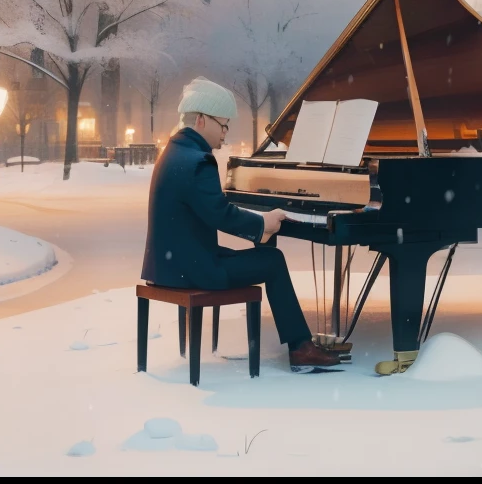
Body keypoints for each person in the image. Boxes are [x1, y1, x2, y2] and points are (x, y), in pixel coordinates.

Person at [141, 77, 341, 371]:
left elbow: (211, 211)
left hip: (171, 265)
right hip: (193, 270)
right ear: (200, 119)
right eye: (223, 124)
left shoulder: (175, 151)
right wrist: (263, 223)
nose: (225, 132)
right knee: (272, 260)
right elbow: (220, 215)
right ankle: (301, 349)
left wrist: (258, 226)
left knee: (262, 256)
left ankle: (302, 346)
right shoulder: (199, 160)